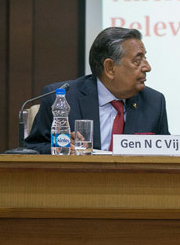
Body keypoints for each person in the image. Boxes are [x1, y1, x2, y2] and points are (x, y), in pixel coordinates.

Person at [25, 27, 169, 154]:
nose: (147, 67)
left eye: (145, 58)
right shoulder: (63, 98)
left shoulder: (154, 102)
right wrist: (61, 147)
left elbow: (168, 154)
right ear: (110, 68)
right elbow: (32, 149)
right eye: (138, 61)